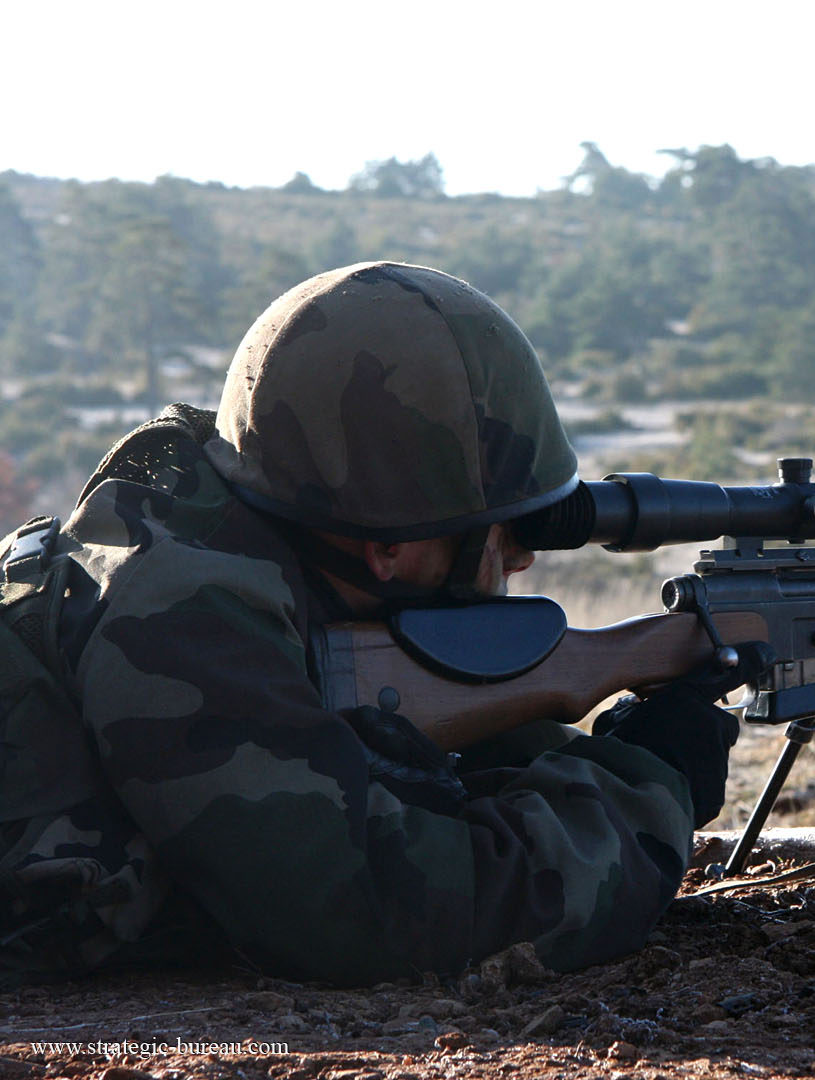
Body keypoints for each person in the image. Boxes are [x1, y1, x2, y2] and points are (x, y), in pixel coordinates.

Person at [0, 262, 757, 984]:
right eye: (498, 531)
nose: (519, 561)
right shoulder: (182, 615)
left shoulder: (233, 535)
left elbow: (391, 777)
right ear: (390, 546)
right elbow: (378, 913)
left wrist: (585, 754)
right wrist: (649, 787)